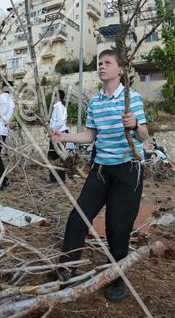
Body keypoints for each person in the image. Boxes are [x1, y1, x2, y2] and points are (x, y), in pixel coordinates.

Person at [53, 49, 149, 302]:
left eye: (108, 63)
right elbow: (90, 136)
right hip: (100, 169)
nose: (102, 66)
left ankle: (116, 278)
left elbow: (144, 136)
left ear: (120, 70)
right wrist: (64, 136)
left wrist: (135, 125)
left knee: (117, 227)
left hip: (128, 170)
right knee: (78, 217)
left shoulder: (133, 98)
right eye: (100, 63)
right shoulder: (95, 102)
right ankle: (66, 271)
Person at [48, 89, 68, 183]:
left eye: (54, 95)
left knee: (57, 156)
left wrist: (50, 129)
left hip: (59, 134)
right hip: (57, 133)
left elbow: (60, 122)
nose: (52, 97)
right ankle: (56, 179)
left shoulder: (59, 107)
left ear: (57, 97)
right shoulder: (57, 107)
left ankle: (58, 179)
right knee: (54, 156)